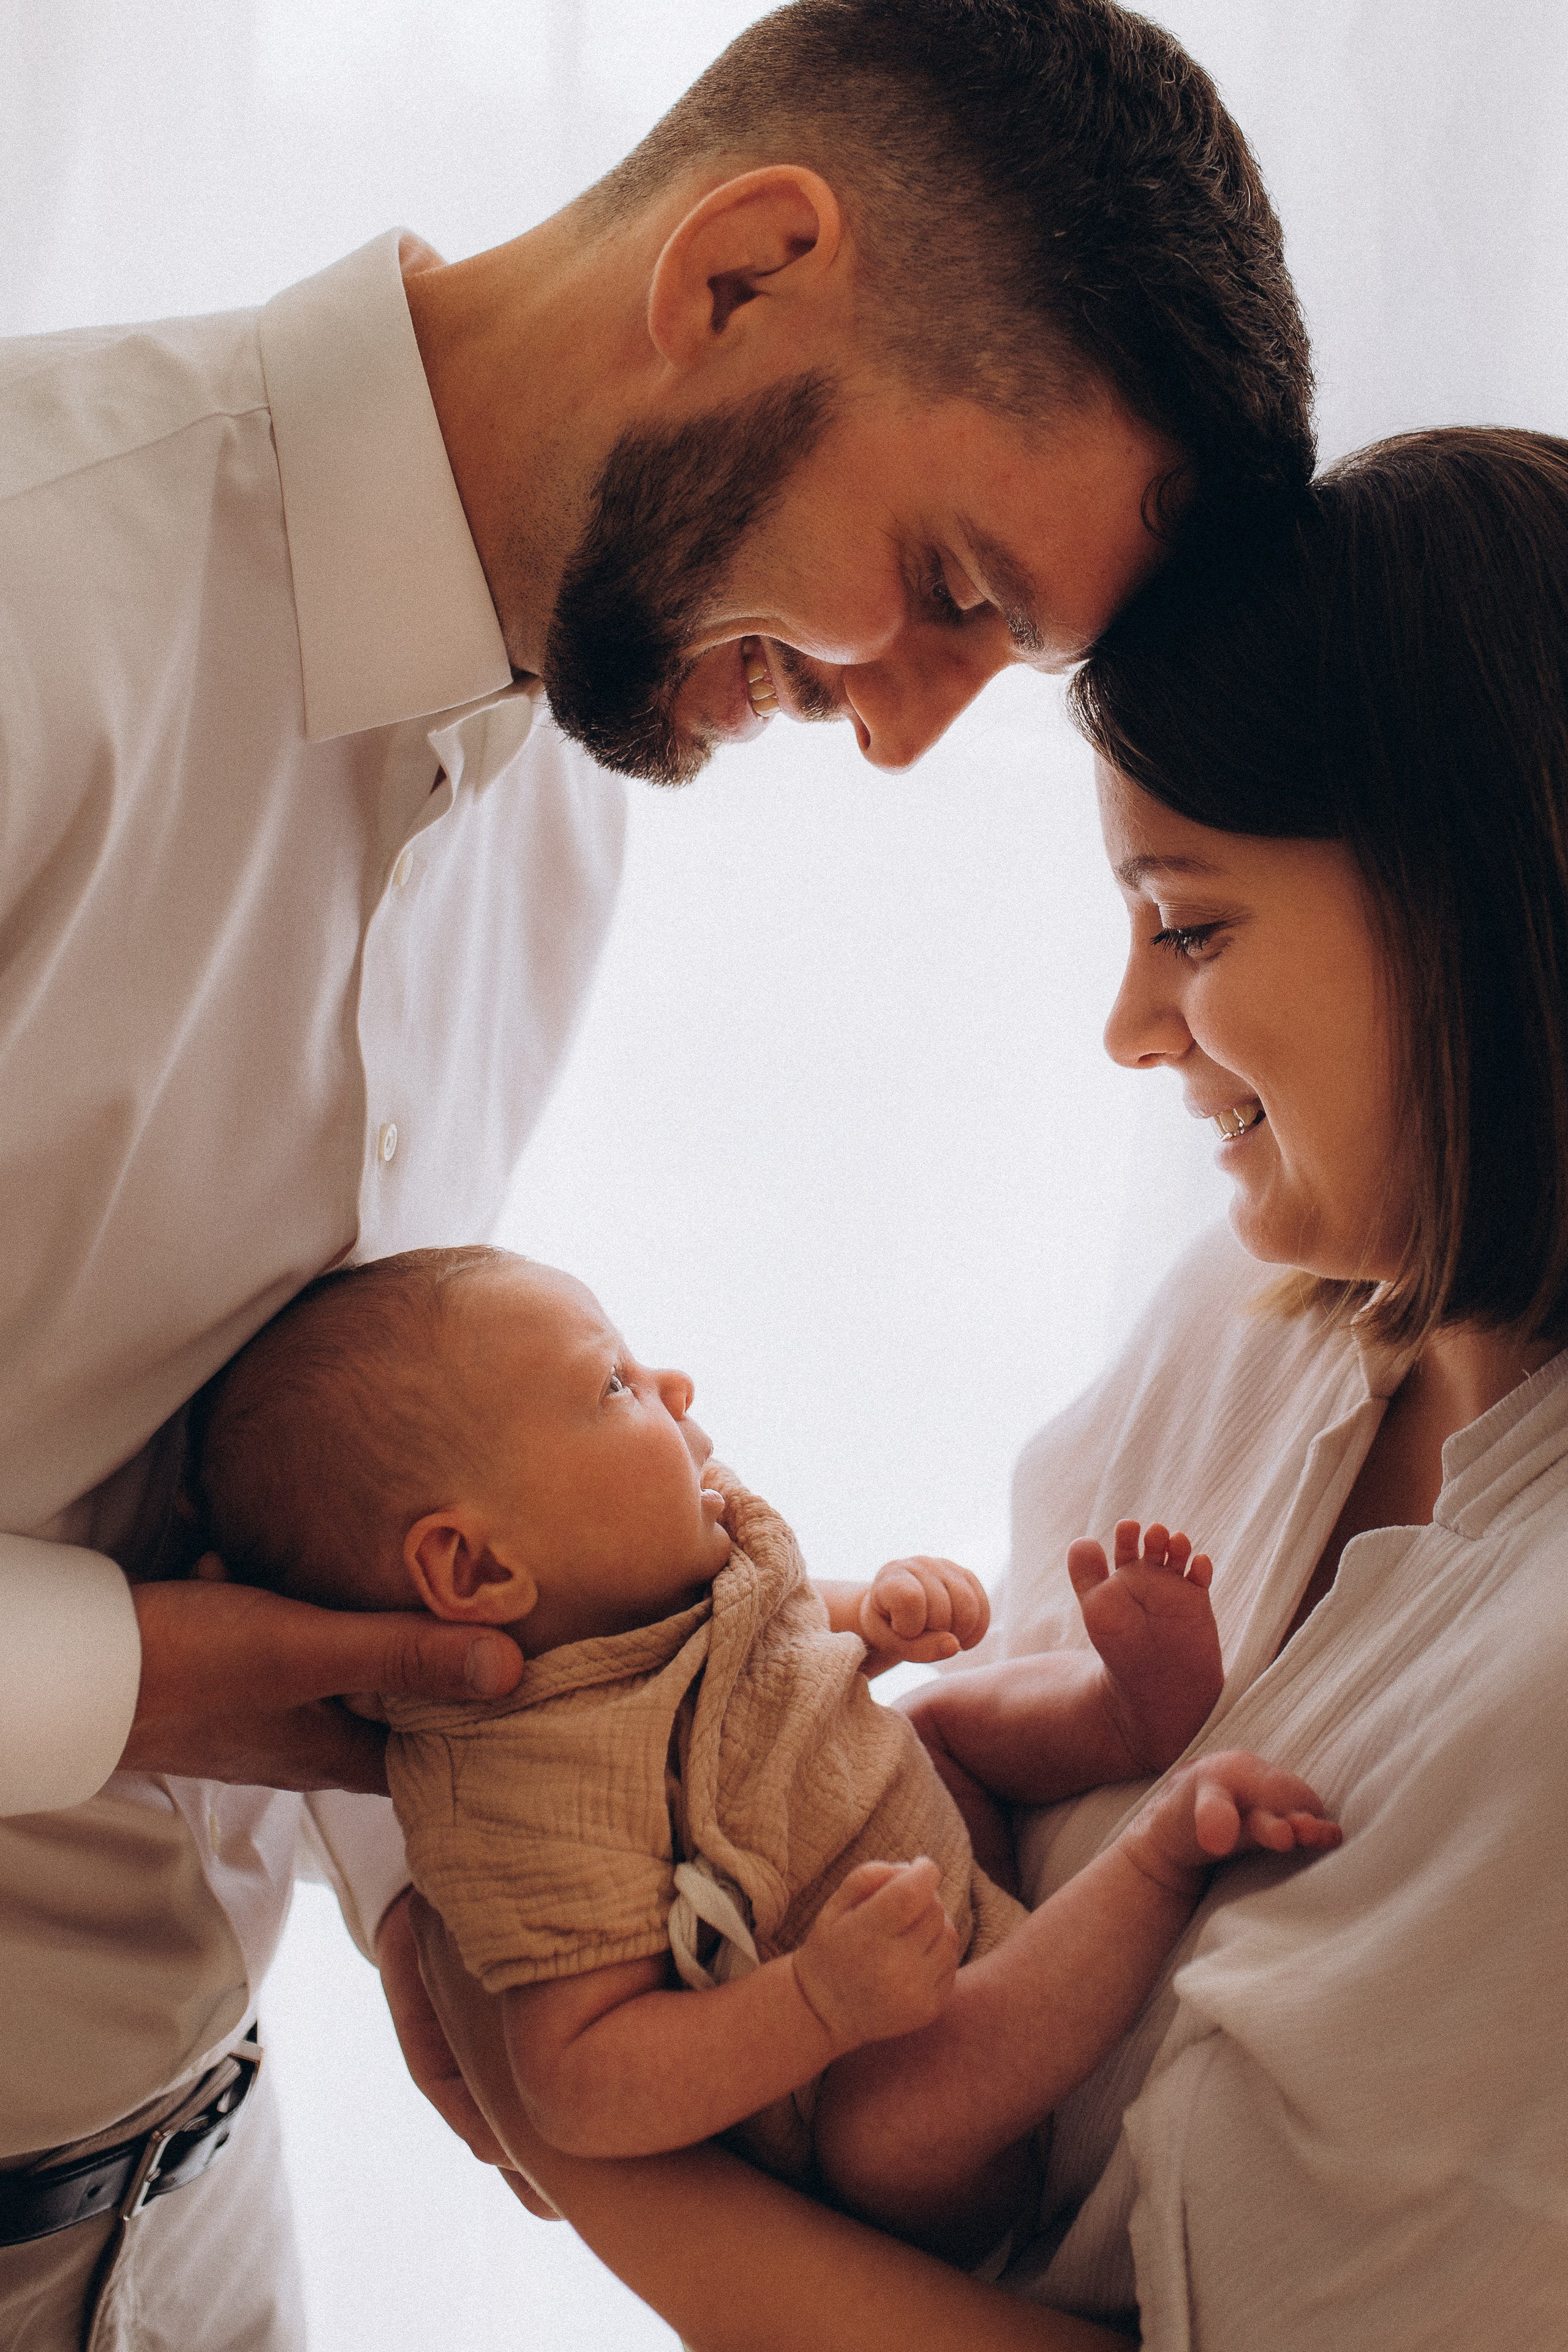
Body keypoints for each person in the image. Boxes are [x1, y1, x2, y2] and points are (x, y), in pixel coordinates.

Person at [0, 2, 1316, 2342]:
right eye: (948, 586)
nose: (904, 729)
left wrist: (494, 1897)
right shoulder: (33, 609)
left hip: (185, 2211)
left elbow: (348, 1473)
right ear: (735, 276)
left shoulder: (565, 801)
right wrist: (124, 1678)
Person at [409, 429, 1568, 2350]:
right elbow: (938, 1809)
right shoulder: (1262, 1314)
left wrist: (587, 2115)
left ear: (1488, 910)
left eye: (1190, 928)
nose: (1128, 1029)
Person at [189, 1245, 1337, 2266]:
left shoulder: (692, 1560)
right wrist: (818, 2003)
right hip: (914, 2103)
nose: (673, 1388)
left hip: (923, 1860)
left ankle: (1122, 1718)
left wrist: (881, 1615)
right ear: (479, 1573)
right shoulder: (521, 1796)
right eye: (615, 1385)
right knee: (885, 2124)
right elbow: (575, 2085)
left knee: (938, 1726)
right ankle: (1163, 1853)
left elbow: (786, 1634)